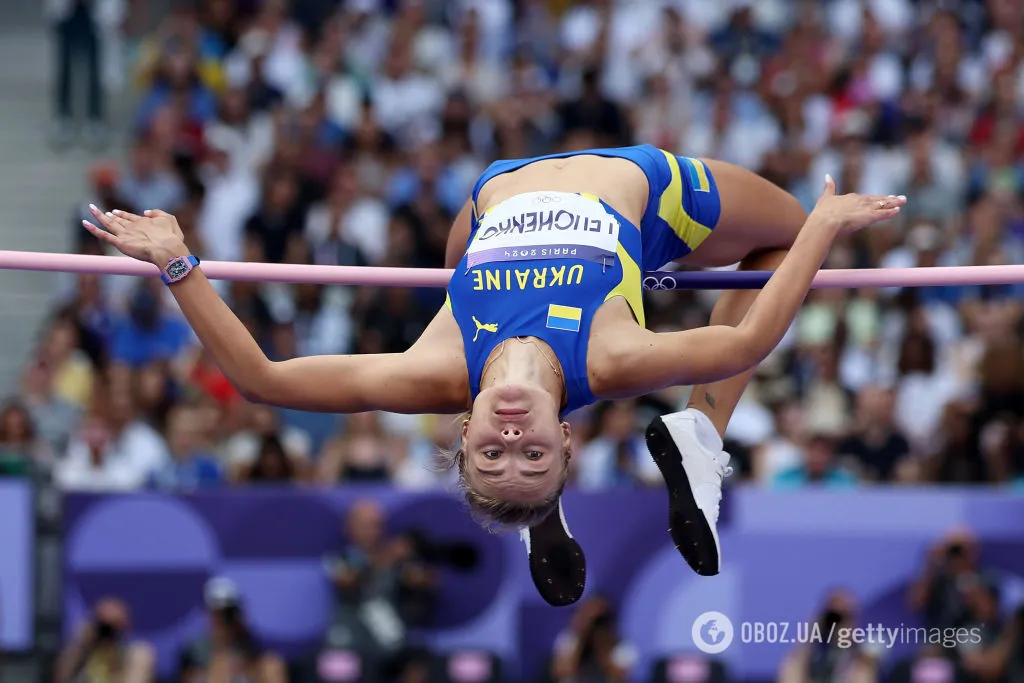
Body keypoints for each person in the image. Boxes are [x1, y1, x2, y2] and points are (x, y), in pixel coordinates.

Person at [82, 144, 905, 606]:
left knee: (455, 275)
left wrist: (179, 262)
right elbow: (746, 338)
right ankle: (700, 435)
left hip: (485, 206)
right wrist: (824, 228)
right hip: (641, 191)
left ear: (465, 431)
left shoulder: (437, 371)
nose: (512, 439)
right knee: (782, 235)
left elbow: (261, 377)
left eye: (493, 456)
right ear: (567, 437)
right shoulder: (607, 359)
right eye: (532, 456)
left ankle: (543, 517)